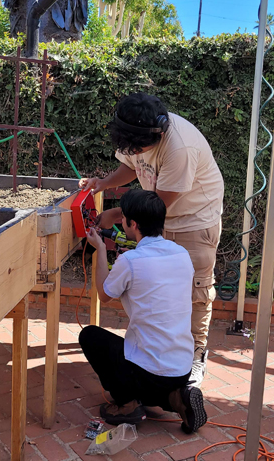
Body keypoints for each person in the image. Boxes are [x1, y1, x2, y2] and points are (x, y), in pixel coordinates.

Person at [80, 93, 224, 387]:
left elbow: (159, 204)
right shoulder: (138, 134)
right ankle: (160, 357)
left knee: (195, 290)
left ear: (156, 133)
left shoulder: (179, 148)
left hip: (193, 222)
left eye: (140, 147)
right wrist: (103, 183)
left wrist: (114, 215)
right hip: (159, 218)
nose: (136, 151)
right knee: (161, 290)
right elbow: (132, 167)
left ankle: (195, 357)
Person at [79, 189, 207, 433]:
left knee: (90, 336)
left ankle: (127, 404)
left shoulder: (130, 262)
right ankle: (176, 398)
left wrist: (101, 250)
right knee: (156, 378)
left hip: (146, 373)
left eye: (124, 219)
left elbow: (104, 295)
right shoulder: (181, 254)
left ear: (133, 224)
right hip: (182, 367)